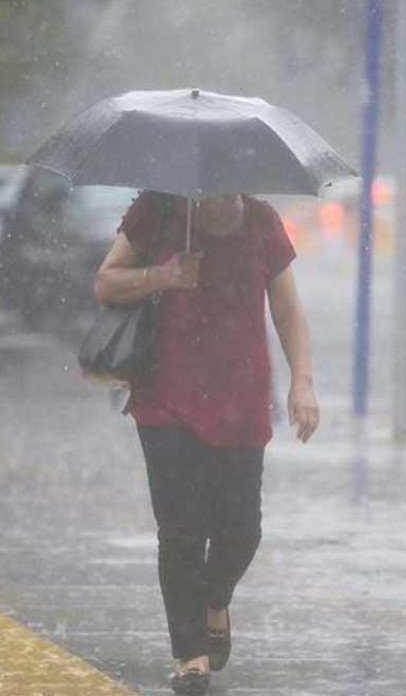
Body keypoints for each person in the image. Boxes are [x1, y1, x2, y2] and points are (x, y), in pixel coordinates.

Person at [93, 191, 319, 695]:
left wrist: (301, 380)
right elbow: (106, 282)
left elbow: (286, 307)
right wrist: (164, 275)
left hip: (241, 397)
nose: (222, 190)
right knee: (182, 532)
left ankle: (215, 600)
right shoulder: (157, 211)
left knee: (242, 530)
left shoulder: (261, 222)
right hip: (165, 397)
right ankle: (189, 654)